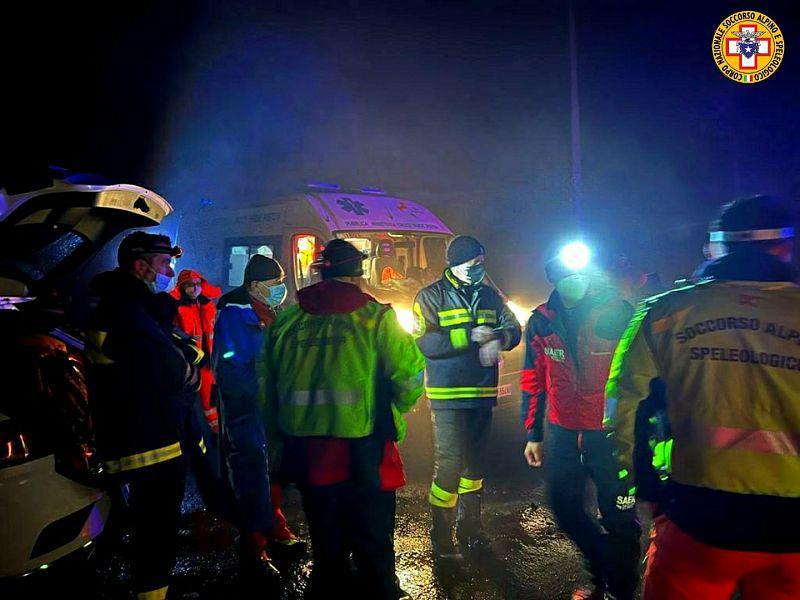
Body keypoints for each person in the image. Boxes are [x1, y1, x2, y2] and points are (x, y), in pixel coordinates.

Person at [605, 195, 800, 600]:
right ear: (784, 248)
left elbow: (626, 407)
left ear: (716, 247)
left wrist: (644, 486)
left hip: (699, 518)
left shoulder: (665, 313)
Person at [262, 239, 424, 599]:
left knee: (326, 543)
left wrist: (276, 440)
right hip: (367, 450)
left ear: (323, 271)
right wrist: (397, 408)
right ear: (358, 272)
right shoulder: (376, 318)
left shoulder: (287, 320)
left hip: (308, 453)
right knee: (374, 544)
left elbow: (266, 387)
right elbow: (410, 377)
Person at [520, 243, 641, 600]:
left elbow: (639, 374)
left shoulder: (616, 313)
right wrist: (533, 433)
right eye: (567, 276)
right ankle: (604, 566)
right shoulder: (542, 320)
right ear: (556, 281)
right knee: (566, 510)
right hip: (562, 432)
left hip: (609, 434)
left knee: (619, 519)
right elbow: (533, 379)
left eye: (579, 274)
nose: (575, 281)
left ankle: (619, 589)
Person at [86, 231, 200, 600]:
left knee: (131, 524)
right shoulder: (127, 308)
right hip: (150, 440)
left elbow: (159, 343)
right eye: (165, 264)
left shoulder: (126, 304)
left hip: (135, 434)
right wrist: (191, 371)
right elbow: (168, 366)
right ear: (141, 266)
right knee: (158, 528)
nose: (170, 270)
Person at [412, 235, 521, 562]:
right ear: (455, 263)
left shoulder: (490, 295)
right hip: (447, 396)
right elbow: (426, 343)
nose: (478, 268)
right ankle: (441, 535)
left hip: (482, 394)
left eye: (481, 262)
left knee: (475, 465)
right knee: (449, 466)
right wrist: (470, 337)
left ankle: (470, 528)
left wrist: (499, 339)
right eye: (472, 263)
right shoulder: (430, 296)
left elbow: (514, 329)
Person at [213, 254, 303, 579]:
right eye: (274, 283)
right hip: (247, 408)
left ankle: (275, 524)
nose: (281, 287)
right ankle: (254, 545)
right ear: (254, 286)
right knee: (251, 471)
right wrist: (263, 386)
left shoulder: (271, 310)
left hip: (270, 405)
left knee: (273, 469)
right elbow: (233, 366)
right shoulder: (235, 314)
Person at [170, 269, 222, 433]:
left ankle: (216, 433)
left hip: (210, 361)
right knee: (194, 403)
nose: (195, 288)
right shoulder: (177, 309)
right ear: (182, 287)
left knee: (211, 400)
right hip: (190, 363)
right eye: (190, 285)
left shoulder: (208, 305)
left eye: (197, 284)